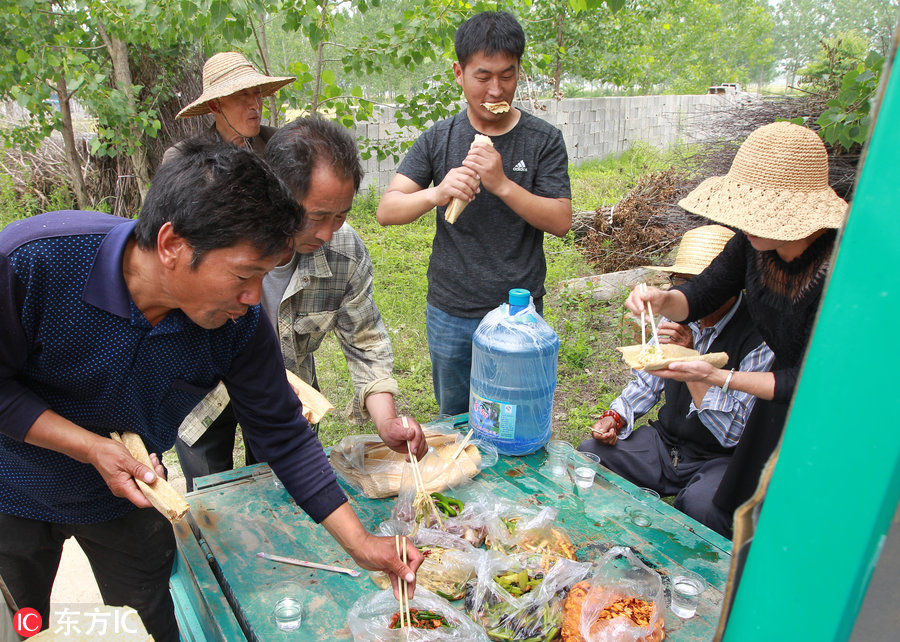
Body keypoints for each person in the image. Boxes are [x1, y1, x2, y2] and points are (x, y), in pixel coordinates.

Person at [0, 142, 422, 641]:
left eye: (262, 279)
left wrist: (362, 544)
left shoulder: (236, 323)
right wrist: (91, 447)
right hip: (14, 487)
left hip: (131, 499)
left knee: (150, 620)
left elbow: (283, 431)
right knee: (25, 626)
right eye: (244, 277)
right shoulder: (36, 261)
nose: (251, 299)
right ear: (172, 245)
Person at [176, 117, 428, 491]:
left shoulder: (344, 252)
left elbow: (366, 342)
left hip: (288, 402)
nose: (328, 232)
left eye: (340, 215)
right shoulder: (218, 239)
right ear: (276, 197)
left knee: (282, 493)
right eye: (317, 217)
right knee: (216, 502)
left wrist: (387, 421)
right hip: (204, 396)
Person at [624, 121, 848, 522]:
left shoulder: (838, 272)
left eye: (764, 215)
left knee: (786, 512)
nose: (749, 224)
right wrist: (660, 300)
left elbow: (810, 379)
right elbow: (699, 295)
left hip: (825, 405)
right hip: (776, 397)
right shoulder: (751, 243)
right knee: (742, 505)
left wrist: (716, 377)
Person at [375, 11, 572, 416]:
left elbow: (560, 220)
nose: (496, 89)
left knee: (514, 416)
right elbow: (387, 210)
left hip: (518, 314)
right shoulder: (439, 137)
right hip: (451, 308)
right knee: (455, 419)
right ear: (459, 74)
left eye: (508, 75)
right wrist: (437, 192)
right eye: (483, 77)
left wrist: (501, 183)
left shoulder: (543, 140)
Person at [578, 225, 774, 537]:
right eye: (678, 284)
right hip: (668, 443)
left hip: (720, 458)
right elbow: (647, 383)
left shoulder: (760, 336)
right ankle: (611, 536)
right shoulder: (678, 312)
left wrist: (691, 360)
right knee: (591, 456)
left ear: (727, 285)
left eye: (694, 285)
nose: (687, 295)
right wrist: (615, 416)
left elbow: (732, 435)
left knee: (704, 508)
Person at [162, 51, 295, 163]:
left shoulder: (279, 143)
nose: (255, 104)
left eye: (257, 93)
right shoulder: (183, 158)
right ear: (215, 105)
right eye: (243, 95)